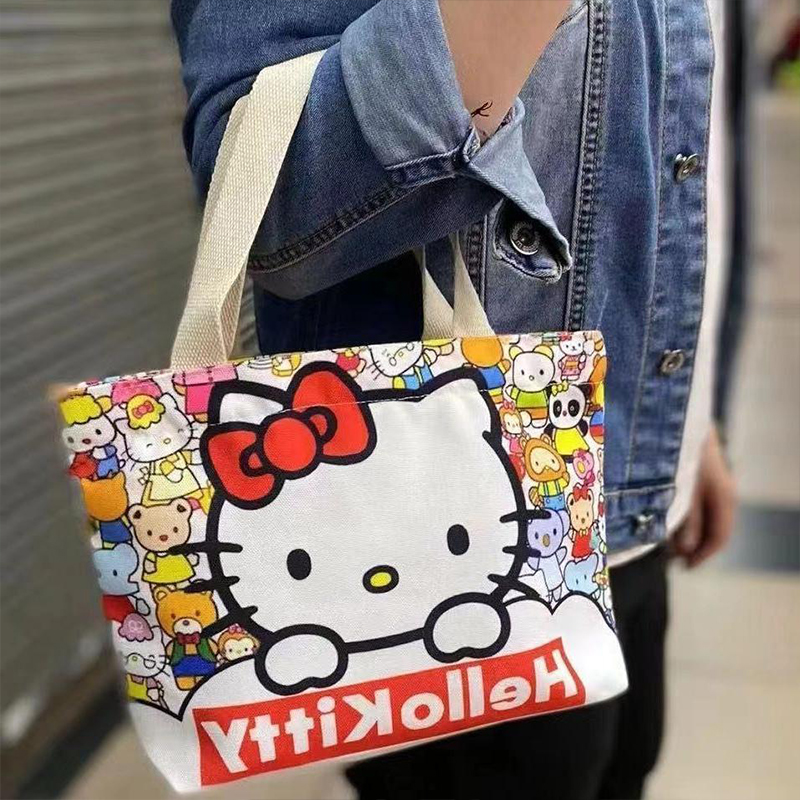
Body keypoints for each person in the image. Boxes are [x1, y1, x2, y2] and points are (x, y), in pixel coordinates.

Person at [171, 1, 741, 797]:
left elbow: (678, 139)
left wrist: (689, 412)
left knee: (622, 767)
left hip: (634, 498)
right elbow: (270, 201)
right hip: (447, 554)